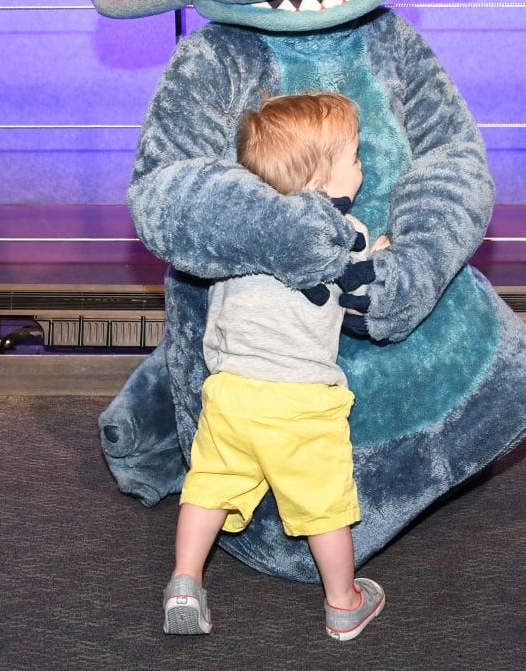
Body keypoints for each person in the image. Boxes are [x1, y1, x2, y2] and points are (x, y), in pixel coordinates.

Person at [162, 92, 389, 642]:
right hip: (301, 401)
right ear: (319, 182)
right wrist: (377, 251)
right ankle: (344, 602)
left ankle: (185, 582)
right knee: (324, 505)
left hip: (231, 393)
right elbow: (366, 281)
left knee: (208, 487)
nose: (363, 167)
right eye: (354, 158)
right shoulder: (343, 231)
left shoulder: (240, 231)